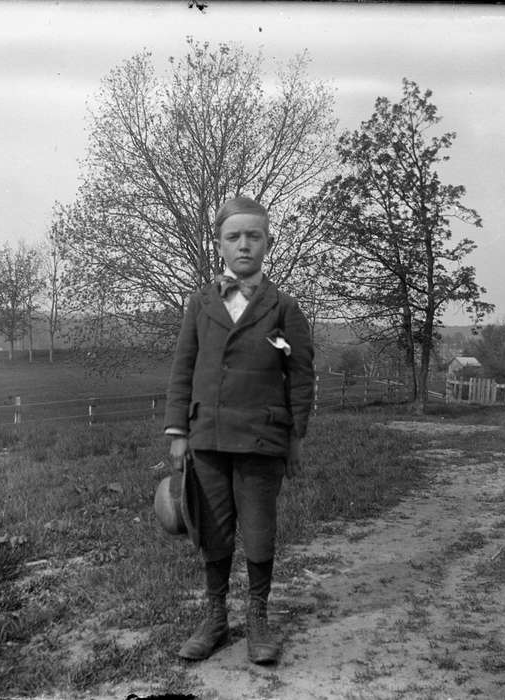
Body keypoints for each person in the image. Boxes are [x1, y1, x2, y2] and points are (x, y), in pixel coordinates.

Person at [163, 195, 315, 665]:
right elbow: (183, 368)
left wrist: (293, 437)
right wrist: (178, 432)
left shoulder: (282, 308)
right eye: (234, 237)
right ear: (220, 245)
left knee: (258, 526)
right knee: (212, 527)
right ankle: (214, 618)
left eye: (254, 236)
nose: (244, 245)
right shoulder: (199, 304)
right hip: (207, 434)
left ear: (268, 242)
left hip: (262, 438)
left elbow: (300, 373)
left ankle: (257, 618)